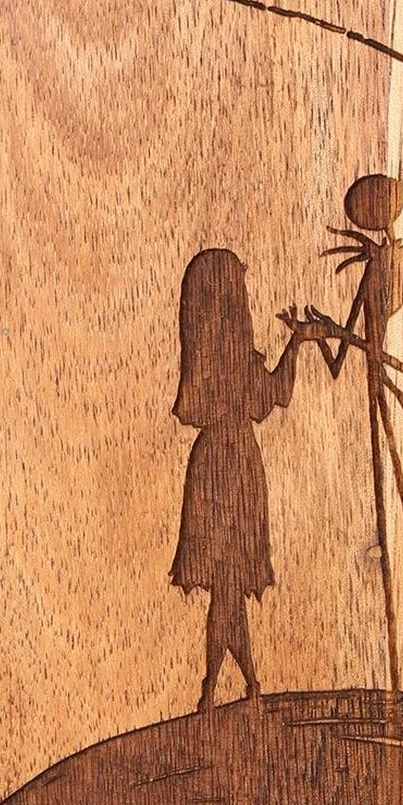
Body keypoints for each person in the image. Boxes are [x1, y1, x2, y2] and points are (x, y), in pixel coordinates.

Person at [170, 248, 305, 709]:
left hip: (211, 464)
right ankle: (232, 686)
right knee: (228, 588)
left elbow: (262, 398)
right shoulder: (237, 358)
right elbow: (275, 396)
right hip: (238, 465)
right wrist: (297, 343)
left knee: (226, 589)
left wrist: (296, 342)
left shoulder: (205, 361)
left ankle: (228, 686)